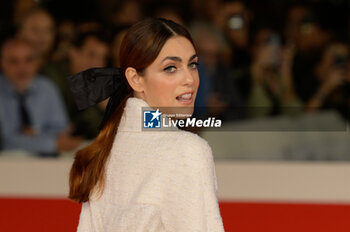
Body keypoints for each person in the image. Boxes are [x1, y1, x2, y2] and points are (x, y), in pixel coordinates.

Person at [68, 18, 225, 231]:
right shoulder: (186, 150)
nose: (189, 79)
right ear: (135, 79)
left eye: (192, 64)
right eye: (171, 68)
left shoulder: (108, 147)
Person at [0, 38, 82, 156]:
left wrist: (33, 137)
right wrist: (51, 143)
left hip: (45, 163)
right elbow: (6, 141)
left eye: (28, 60)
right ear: (3, 64)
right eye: (14, 61)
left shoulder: (47, 88)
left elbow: (62, 132)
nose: (22, 67)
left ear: (37, 62)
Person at [43, 30, 110, 139]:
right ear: (73, 53)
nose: (98, 64)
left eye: (102, 58)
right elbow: (66, 129)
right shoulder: (52, 77)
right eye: (91, 55)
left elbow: (95, 128)